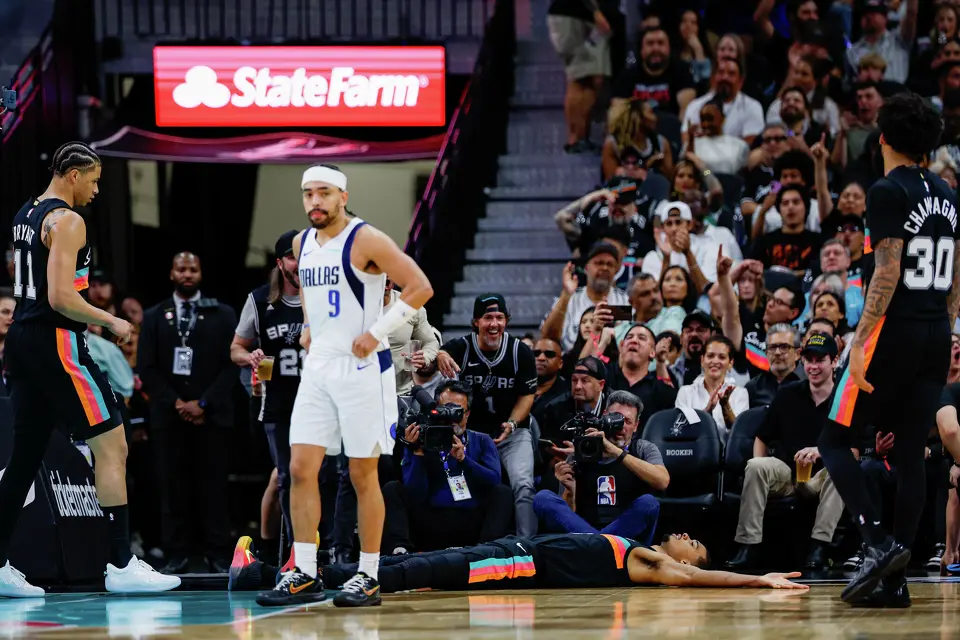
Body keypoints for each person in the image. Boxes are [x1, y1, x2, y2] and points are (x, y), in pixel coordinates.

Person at [0, 142, 180, 596]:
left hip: (22, 340)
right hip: (56, 341)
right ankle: (120, 565)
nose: (98, 190)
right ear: (74, 175)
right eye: (95, 179)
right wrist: (110, 320)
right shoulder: (69, 220)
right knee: (113, 446)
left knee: (23, 458)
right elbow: (61, 297)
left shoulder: (27, 212)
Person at [256, 164, 434, 608]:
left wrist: (377, 331)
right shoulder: (301, 243)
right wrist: (310, 326)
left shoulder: (366, 238)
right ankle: (303, 570)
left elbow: (419, 286)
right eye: (307, 194)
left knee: (361, 473)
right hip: (318, 368)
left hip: (361, 369)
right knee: (298, 469)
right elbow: (318, 299)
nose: (314, 201)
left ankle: (368, 574)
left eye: (323, 193)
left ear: (342, 195)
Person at [817, 93, 958, 607]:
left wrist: (859, 342)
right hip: (936, 333)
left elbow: (887, 269)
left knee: (833, 440)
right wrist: (941, 326)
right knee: (909, 453)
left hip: (892, 332)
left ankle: (877, 544)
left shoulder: (884, 190)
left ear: (883, 139)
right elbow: (957, 272)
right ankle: (896, 581)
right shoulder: (947, 191)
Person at [231, 530, 807, 593]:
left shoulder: (656, 564)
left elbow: (699, 577)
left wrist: (759, 577)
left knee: (416, 575)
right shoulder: (642, 548)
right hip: (514, 550)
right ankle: (285, 569)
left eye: (694, 542)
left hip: (517, 565)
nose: (686, 538)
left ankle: (262, 573)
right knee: (418, 563)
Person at [138, 252, 238, 574]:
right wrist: (177, 403)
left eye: (193, 269)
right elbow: (146, 367)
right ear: (171, 273)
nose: (187, 274)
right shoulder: (154, 316)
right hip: (169, 416)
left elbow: (231, 366)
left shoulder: (223, 314)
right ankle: (176, 554)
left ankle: (219, 554)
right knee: (172, 486)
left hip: (213, 415)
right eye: (181, 269)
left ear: (201, 273)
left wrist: (203, 403)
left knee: (214, 486)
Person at [436, 294, 539, 538]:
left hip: (511, 432)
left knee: (523, 484)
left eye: (499, 318)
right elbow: (434, 369)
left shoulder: (520, 352)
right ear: (475, 322)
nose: (494, 324)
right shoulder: (459, 348)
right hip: (471, 436)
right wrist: (438, 354)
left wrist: (512, 423)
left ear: (507, 320)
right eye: (488, 318)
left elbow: (528, 395)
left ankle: (527, 545)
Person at [383, 380, 513, 553]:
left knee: (503, 493)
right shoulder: (421, 440)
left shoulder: (481, 440)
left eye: (457, 412)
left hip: (470, 519)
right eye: (445, 410)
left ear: (467, 414)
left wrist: (464, 460)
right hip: (431, 522)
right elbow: (414, 494)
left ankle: (486, 551)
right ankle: (400, 551)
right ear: (434, 410)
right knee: (393, 488)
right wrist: (418, 454)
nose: (451, 418)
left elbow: (494, 481)